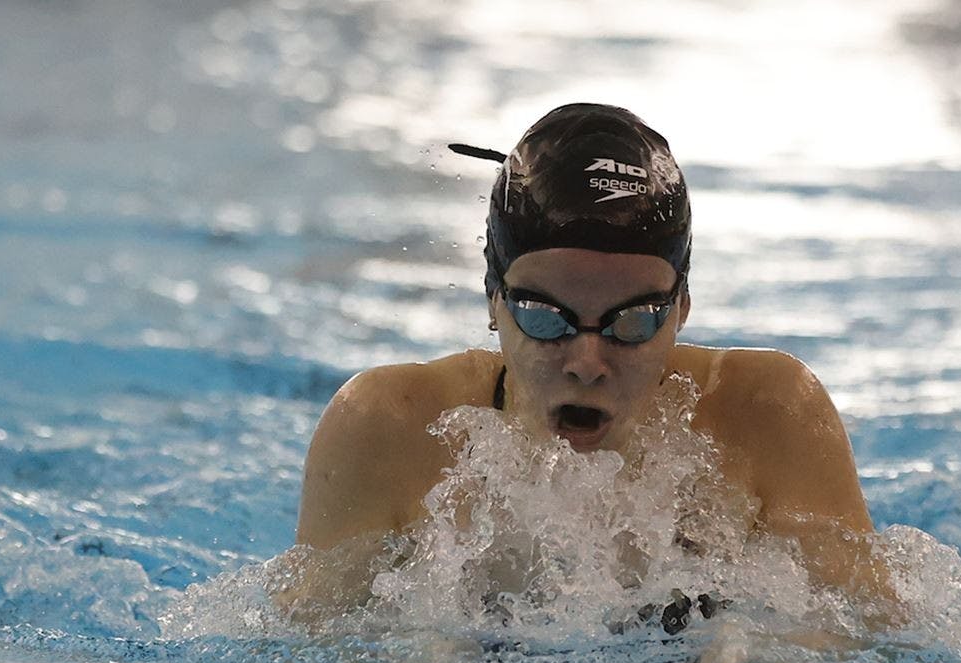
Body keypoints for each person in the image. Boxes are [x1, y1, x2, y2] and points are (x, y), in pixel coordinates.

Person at [276, 103, 901, 632]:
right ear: (494, 300)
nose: (587, 363)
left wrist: (768, 655)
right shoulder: (389, 425)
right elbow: (302, 653)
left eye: (632, 323)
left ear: (681, 308)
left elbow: (886, 634)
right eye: (547, 319)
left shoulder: (771, 414)